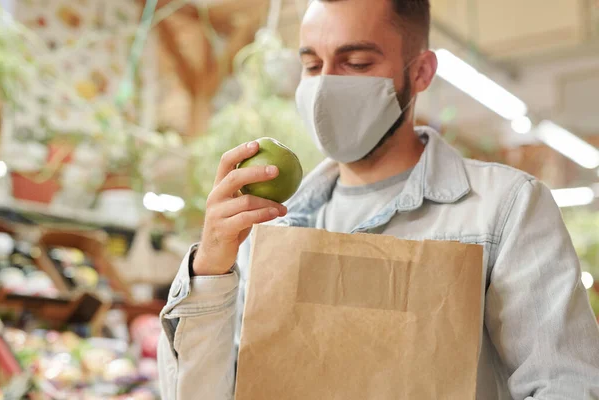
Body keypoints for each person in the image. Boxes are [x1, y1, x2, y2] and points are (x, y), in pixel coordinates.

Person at [157, 0, 599, 398]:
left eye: (356, 62)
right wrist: (209, 272)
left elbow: (566, 384)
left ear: (421, 72)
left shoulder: (507, 208)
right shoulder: (268, 230)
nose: (326, 87)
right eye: (312, 66)